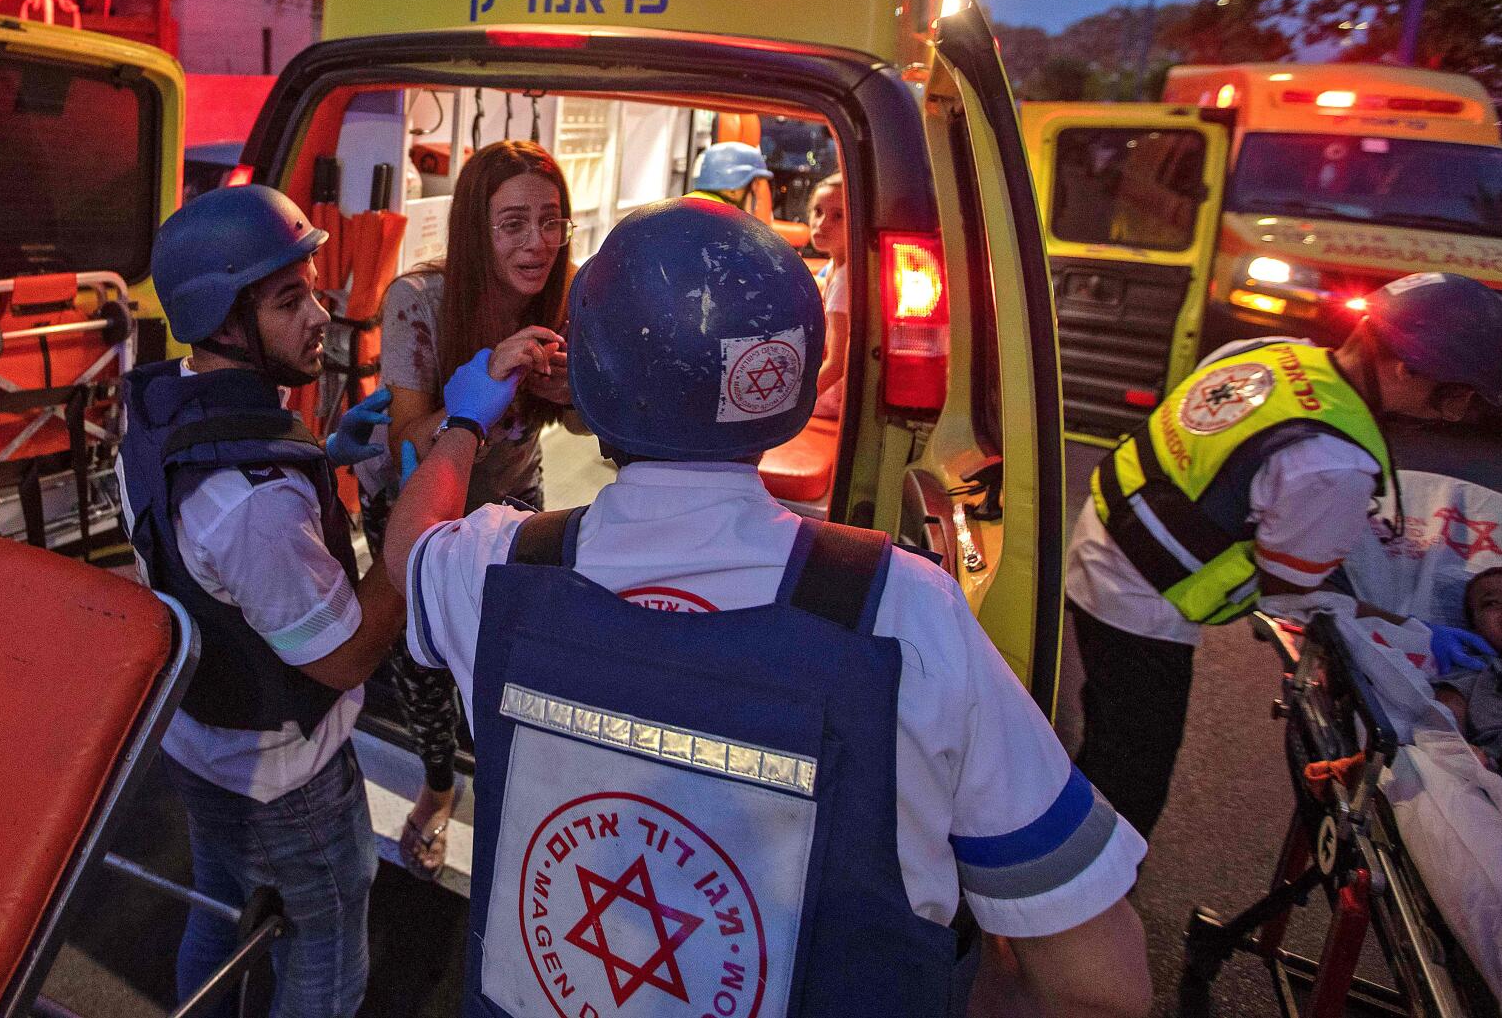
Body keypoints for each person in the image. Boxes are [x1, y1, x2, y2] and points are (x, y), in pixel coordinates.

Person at [384, 198, 1151, 1018]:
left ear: (595, 382)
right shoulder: (900, 608)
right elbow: (1099, 984)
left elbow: (406, 550)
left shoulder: (501, 567)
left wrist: (465, 419)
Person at [1066, 271, 1502, 838]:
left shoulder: (1267, 353)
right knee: (1128, 779)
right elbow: (1293, 595)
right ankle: (1077, 905)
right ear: (1408, 366)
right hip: (1142, 606)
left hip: (1104, 532)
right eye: (1455, 395)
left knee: (1102, 736)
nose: (1452, 415)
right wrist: (1415, 633)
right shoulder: (1334, 463)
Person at [116, 185, 405, 1015]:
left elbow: (210, 549)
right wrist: (411, 535)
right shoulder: (254, 502)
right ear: (223, 319)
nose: (320, 314)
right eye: (290, 300)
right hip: (288, 780)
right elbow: (348, 652)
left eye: (310, 288)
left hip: (197, 739)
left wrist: (324, 450)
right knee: (326, 947)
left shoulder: (161, 401)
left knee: (221, 902)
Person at [360, 139, 581, 878]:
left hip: (515, 495)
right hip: (420, 503)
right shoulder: (419, 299)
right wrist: (483, 385)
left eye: (551, 222)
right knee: (423, 669)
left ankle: (517, 801)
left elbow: (586, 424)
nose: (537, 243)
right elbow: (402, 444)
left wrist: (568, 392)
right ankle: (435, 786)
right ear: (474, 229)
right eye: (513, 223)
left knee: (513, 660)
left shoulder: (566, 295)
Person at [1436, 566, 1502, 785]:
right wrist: (1463, 751)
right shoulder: (1473, 678)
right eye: (1492, 603)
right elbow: (1442, 724)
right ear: (1474, 628)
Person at [808, 173, 850, 419]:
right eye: (818, 211)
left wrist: (795, 404)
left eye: (838, 216)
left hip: (832, 396)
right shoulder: (833, 268)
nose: (822, 224)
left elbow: (837, 364)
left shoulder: (844, 281)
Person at [685, 140, 772, 210]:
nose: (757, 198)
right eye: (754, 187)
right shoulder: (726, 225)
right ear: (733, 190)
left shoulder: (680, 206)